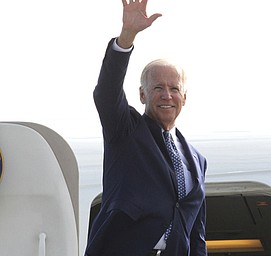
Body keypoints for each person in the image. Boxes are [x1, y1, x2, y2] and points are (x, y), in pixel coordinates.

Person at [85, 0, 207, 255]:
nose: (167, 95)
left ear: (184, 97)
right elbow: (106, 94)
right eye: (158, 88)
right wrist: (126, 37)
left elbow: (196, 232)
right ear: (142, 94)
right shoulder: (126, 131)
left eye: (174, 89)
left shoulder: (197, 160)